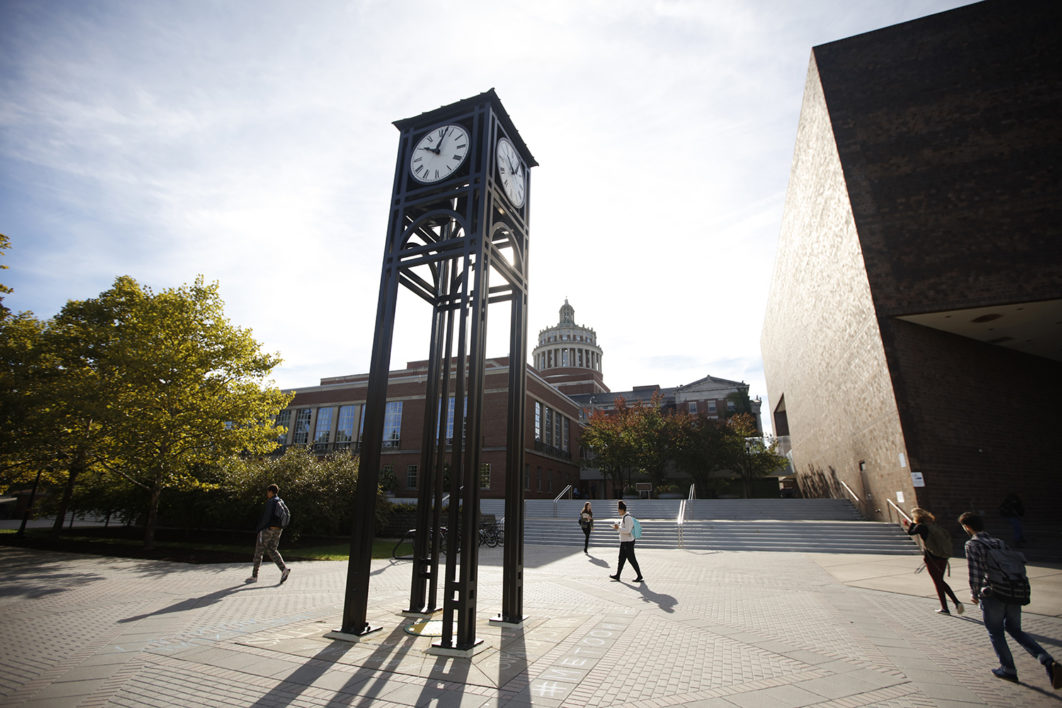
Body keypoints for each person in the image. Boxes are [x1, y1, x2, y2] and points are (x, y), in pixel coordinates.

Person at [959, 511, 1060, 687]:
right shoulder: (999, 541)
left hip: (993, 593)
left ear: (967, 527)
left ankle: (1008, 669)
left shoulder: (973, 544)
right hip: (1012, 590)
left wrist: (974, 593)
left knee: (996, 632)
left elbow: (976, 571)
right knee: (1015, 629)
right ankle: (1047, 660)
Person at [903, 508, 963, 615]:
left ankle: (947, 607)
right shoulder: (933, 525)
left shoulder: (921, 526)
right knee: (940, 580)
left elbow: (911, 532)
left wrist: (911, 523)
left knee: (938, 582)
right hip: (943, 556)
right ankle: (955, 603)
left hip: (932, 557)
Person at [246, 484, 291, 584]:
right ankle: (284, 569)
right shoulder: (281, 501)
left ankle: (254, 575)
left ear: (270, 492)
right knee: (272, 549)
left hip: (268, 529)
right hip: (278, 529)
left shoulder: (271, 502)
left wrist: (260, 529)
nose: (267, 494)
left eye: (268, 492)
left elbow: (266, 517)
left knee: (259, 551)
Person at [609, 500, 643, 582]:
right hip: (624, 541)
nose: (618, 512)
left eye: (618, 510)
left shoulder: (627, 518)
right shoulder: (624, 517)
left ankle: (639, 575)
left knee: (631, 559)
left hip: (628, 542)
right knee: (621, 559)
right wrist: (618, 528)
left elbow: (627, 530)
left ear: (622, 510)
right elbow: (624, 529)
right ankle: (618, 575)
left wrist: (618, 528)